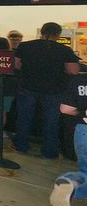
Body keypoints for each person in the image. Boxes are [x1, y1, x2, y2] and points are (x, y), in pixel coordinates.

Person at [12, 22, 80, 159]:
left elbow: (16, 65)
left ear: (41, 32)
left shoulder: (25, 46)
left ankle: (21, 145)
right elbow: (73, 71)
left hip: (27, 87)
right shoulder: (64, 50)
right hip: (53, 90)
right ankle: (49, 151)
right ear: (58, 34)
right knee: (51, 121)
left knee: (24, 118)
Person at [50, 67, 87, 206]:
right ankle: (72, 185)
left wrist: (83, 113)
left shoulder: (78, 80)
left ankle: (70, 183)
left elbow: (65, 108)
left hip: (83, 131)